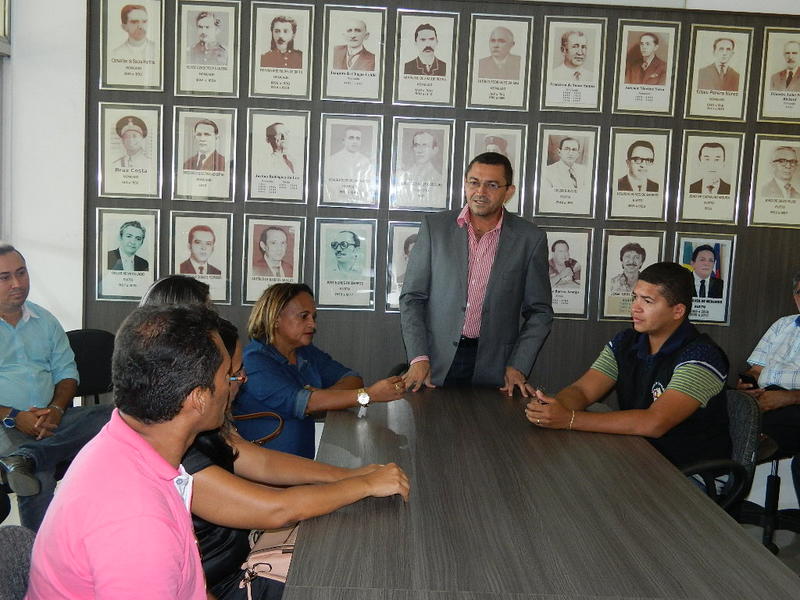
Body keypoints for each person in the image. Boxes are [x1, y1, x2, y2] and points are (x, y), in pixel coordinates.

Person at [139, 277, 410, 600]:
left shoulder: (199, 426)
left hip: (241, 554)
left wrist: (352, 475)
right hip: (228, 581)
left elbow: (262, 461)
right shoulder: (170, 446)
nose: (241, 381)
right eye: (232, 375)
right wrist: (362, 484)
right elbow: (276, 509)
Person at [26, 304, 227, 599]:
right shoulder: (138, 522)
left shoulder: (122, 444)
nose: (232, 387)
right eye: (228, 376)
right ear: (199, 398)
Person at [525, 262, 730, 468]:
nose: (635, 308)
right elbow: (583, 390)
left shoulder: (702, 356)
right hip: (639, 458)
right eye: (635, 297)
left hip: (690, 472)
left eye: (647, 301)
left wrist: (569, 419)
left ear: (678, 311)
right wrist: (554, 408)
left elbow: (655, 422)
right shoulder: (625, 342)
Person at [400, 152, 553, 393]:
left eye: (492, 185)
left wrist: (518, 364)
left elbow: (540, 312)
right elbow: (412, 298)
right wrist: (419, 357)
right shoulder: (435, 228)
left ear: (509, 192)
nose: (480, 192)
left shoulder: (530, 239)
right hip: (434, 363)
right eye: (474, 182)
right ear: (465, 184)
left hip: (497, 368)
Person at [0, 245, 112, 531]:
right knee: (40, 474)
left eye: (21, 273)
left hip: (49, 419)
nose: (17, 283)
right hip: (3, 423)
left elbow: (67, 374)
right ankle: (36, 551)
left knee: (115, 416)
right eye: (5, 277)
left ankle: (24, 458)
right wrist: (14, 416)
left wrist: (56, 409)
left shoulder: (45, 321)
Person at [233, 283, 406, 458]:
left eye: (313, 317)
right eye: (304, 316)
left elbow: (353, 379)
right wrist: (368, 395)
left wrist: (321, 398)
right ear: (275, 318)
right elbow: (305, 403)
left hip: (301, 464)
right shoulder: (254, 360)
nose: (313, 324)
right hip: (262, 468)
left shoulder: (304, 351)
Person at [737, 271, 800, 457]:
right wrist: (747, 386)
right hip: (765, 396)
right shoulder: (782, 324)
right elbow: (756, 369)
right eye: (799, 292)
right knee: (725, 403)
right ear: (794, 297)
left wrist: (789, 397)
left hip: (795, 403)